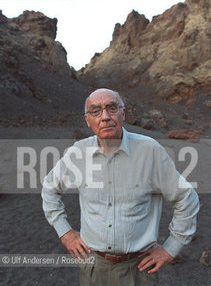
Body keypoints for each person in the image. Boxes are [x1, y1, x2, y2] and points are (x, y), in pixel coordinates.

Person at [41, 88, 200, 286]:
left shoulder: (150, 151)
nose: (105, 117)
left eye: (112, 108)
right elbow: (49, 188)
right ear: (87, 120)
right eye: (96, 111)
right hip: (92, 268)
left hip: (138, 270)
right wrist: (65, 233)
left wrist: (171, 248)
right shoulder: (78, 153)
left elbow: (187, 198)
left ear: (123, 114)